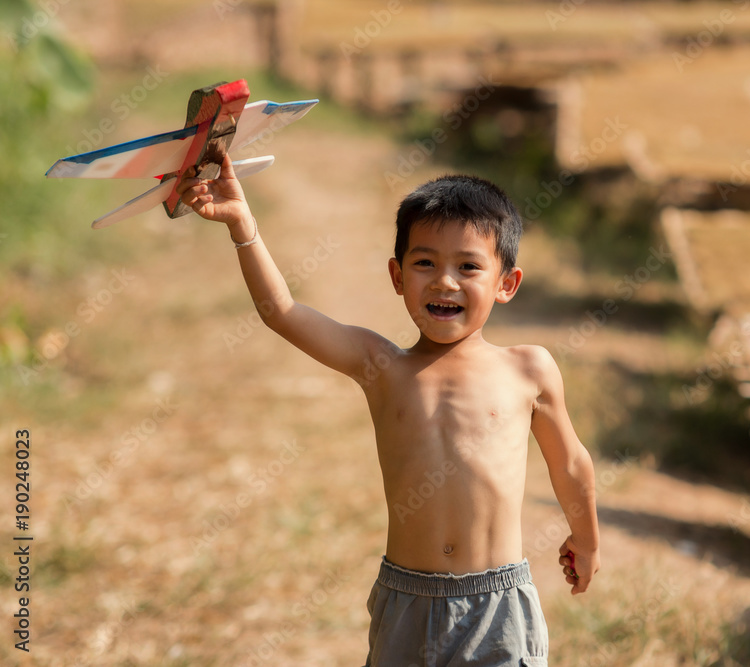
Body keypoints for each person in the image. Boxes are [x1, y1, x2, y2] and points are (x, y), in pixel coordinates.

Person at [177, 155, 600, 665]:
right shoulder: (381, 365)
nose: (445, 282)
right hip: (406, 600)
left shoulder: (528, 370)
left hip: (497, 603)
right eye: (425, 263)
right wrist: (243, 227)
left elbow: (571, 463)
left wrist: (586, 538)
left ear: (506, 284)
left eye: (468, 266)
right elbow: (282, 313)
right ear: (397, 277)